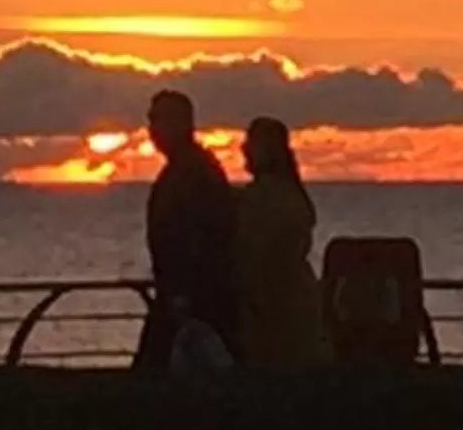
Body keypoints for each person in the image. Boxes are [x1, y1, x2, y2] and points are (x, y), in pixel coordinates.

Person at [133, 88, 240, 370]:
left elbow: (201, 236)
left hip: (189, 300)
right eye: (151, 120)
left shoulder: (192, 174)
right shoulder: (192, 170)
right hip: (183, 296)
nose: (151, 130)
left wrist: (183, 294)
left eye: (158, 120)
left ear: (179, 123)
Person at [235, 116, 332, 367]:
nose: (243, 149)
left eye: (251, 143)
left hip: (277, 308)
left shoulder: (265, 198)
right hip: (293, 303)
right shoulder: (290, 194)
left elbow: (253, 251)